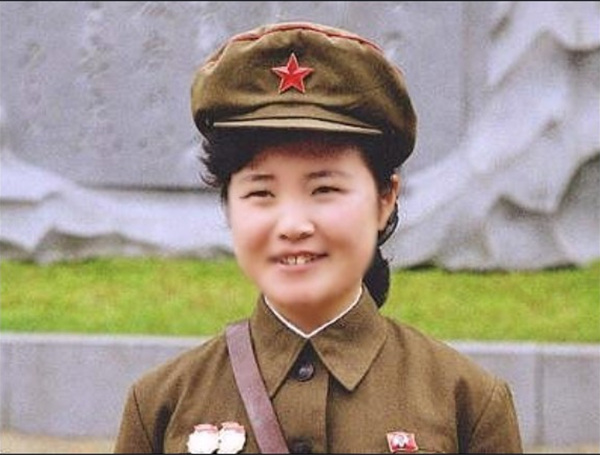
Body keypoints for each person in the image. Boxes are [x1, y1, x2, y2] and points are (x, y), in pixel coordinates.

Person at [114, 21, 523, 454]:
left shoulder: (465, 402)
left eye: (325, 189)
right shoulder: (162, 404)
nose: (293, 225)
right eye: (261, 193)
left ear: (385, 198)